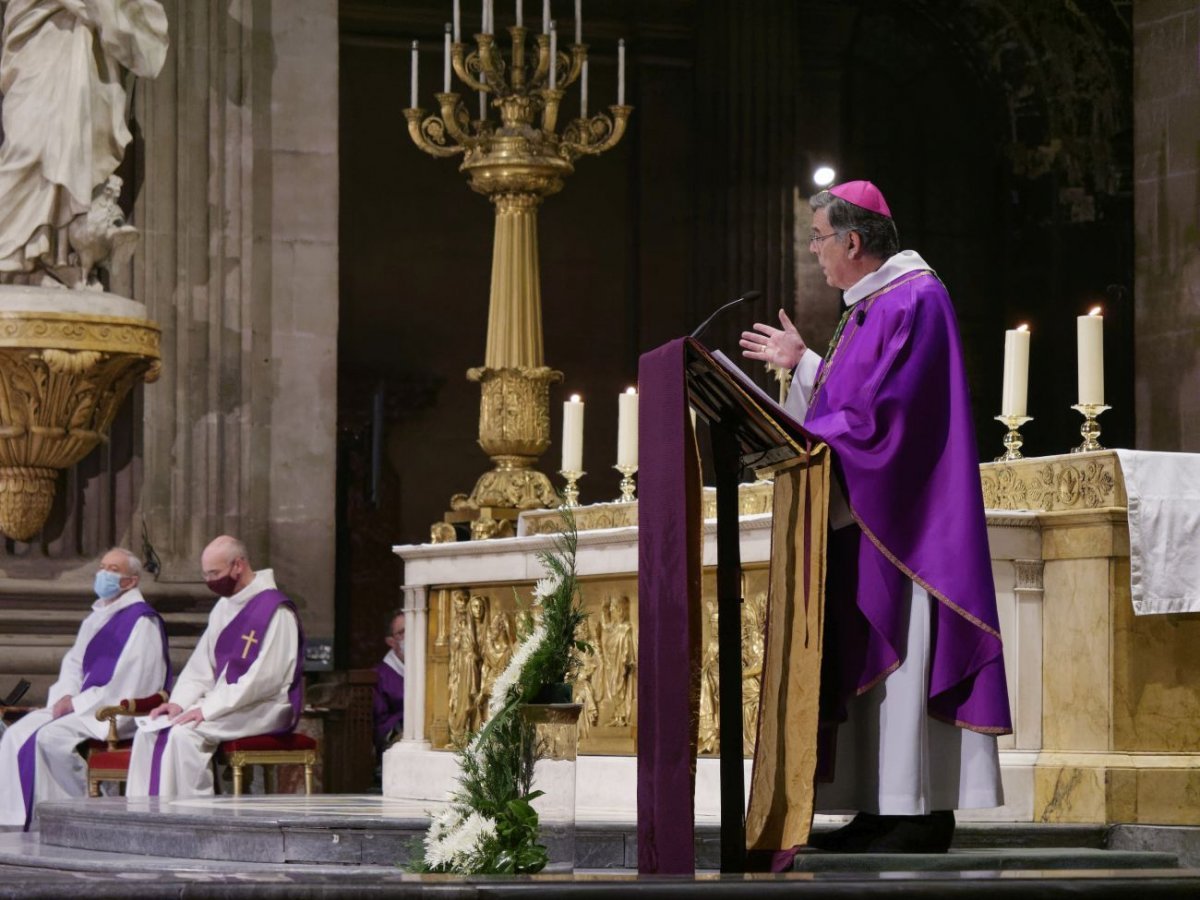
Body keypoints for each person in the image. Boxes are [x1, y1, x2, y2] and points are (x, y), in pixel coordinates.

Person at [740, 180, 1012, 853]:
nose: (815, 251)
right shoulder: (869, 307)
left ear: (853, 241)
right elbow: (854, 404)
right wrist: (806, 366)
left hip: (910, 528)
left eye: (819, 238)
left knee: (909, 652)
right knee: (871, 660)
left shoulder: (916, 299)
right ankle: (878, 805)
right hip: (871, 518)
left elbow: (887, 421)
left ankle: (918, 812)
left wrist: (813, 397)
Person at [0, 548, 170, 828]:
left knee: (50, 739)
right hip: (83, 705)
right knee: (17, 733)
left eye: (112, 570)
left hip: (112, 712)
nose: (103, 574)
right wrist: (65, 696)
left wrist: (77, 704)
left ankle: (82, 813)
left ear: (131, 580)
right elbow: (73, 664)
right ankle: (17, 819)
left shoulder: (142, 621)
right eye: (102, 566)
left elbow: (133, 681)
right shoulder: (97, 616)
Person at [0, 0, 169, 282]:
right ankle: (8, 249)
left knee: (71, 147)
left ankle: (55, 257)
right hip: (36, 36)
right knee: (27, 148)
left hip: (84, 47)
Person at [126, 536, 303, 799]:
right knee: (150, 732)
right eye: (205, 574)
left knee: (183, 736)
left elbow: (264, 679)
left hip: (265, 705)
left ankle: (193, 819)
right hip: (226, 702)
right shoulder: (223, 607)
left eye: (215, 573)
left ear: (238, 565)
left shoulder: (275, 610)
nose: (210, 581)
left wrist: (207, 709)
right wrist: (180, 703)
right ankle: (144, 817)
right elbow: (202, 666)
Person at [373, 609, 405, 753]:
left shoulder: (433, 668)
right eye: (402, 632)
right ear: (391, 641)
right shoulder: (380, 676)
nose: (409, 636)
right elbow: (381, 724)